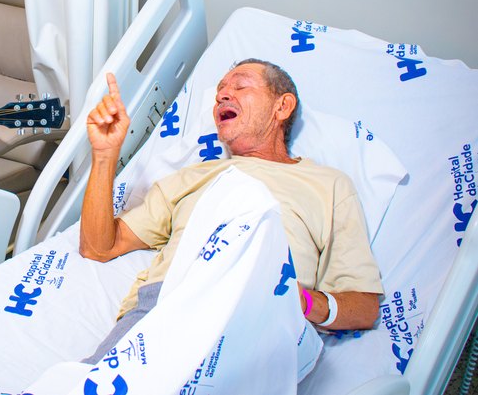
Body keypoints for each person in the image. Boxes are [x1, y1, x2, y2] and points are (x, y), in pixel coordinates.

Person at [79, 59, 383, 362]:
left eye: (241, 86)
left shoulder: (327, 185)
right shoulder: (191, 178)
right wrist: (105, 156)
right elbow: (99, 247)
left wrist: (300, 302)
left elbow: (364, 307)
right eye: (219, 92)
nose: (222, 96)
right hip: (167, 307)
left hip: (262, 313)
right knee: (90, 382)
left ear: (282, 107)